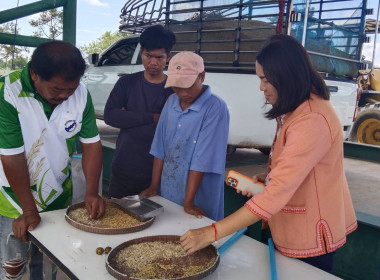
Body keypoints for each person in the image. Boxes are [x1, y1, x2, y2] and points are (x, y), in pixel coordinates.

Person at [180, 34, 357, 273]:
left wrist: (211, 233)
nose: (261, 87)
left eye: (265, 79)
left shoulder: (312, 118)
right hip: (291, 226)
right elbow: (296, 168)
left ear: (286, 76)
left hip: (310, 236)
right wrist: (269, 176)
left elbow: (276, 194)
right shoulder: (297, 107)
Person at [0, 41, 105, 279]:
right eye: (58, 90)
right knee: (12, 263)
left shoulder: (79, 94)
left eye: (71, 88)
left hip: (57, 195)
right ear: (35, 75)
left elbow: (91, 144)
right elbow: (11, 156)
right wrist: (28, 209)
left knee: (48, 261)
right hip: (12, 198)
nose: (66, 95)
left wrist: (91, 192)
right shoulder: (7, 92)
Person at [141, 51, 230, 221]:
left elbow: (202, 159)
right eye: (177, 86)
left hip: (199, 196)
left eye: (187, 85)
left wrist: (188, 202)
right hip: (169, 190)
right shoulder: (171, 102)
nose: (182, 93)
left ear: (201, 77)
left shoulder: (215, 108)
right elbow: (160, 147)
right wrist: (154, 186)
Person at [104, 25, 176, 198]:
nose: (153, 62)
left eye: (159, 57)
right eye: (148, 55)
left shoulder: (173, 90)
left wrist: (127, 115)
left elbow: (172, 126)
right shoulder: (126, 83)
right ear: (141, 52)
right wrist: (153, 117)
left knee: (154, 220)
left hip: (157, 172)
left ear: (168, 57)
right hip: (124, 166)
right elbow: (110, 116)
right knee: (117, 216)